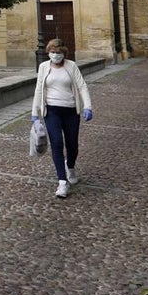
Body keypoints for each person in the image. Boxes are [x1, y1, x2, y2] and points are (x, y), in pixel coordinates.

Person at [31, 39, 93, 198]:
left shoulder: (71, 66)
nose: (55, 55)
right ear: (48, 52)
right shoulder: (43, 67)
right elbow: (39, 89)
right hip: (51, 111)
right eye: (52, 52)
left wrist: (87, 106)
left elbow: (82, 86)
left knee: (72, 145)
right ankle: (62, 182)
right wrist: (35, 113)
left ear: (64, 53)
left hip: (71, 110)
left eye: (58, 52)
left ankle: (70, 167)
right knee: (57, 143)